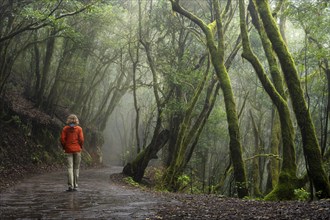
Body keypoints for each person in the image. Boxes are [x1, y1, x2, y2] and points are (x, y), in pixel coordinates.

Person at [60, 114, 84, 192]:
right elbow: (81, 139)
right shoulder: (79, 129)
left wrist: (64, 147)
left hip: (68, 150)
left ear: (68, 120)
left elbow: (62, 139)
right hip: (77, 150)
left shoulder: (65, 129)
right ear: (76, 120)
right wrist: (80, 147)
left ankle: (70, 186)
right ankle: (75, 186)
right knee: (76, 168)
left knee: (70, 168)